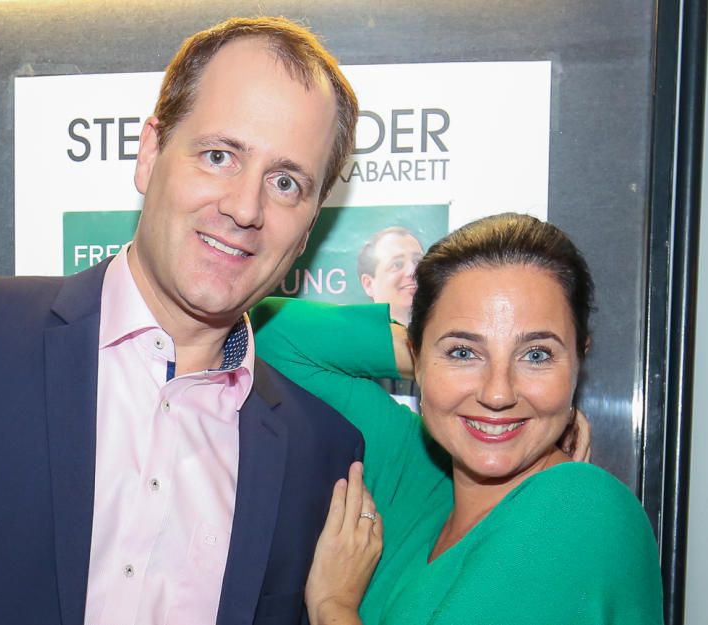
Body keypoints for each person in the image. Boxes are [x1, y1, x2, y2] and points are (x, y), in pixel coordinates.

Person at [0, 17, 365, 625]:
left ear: (308, 225)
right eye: (219, 156)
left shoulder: (321, 457)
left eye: (285, 183)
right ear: (150, 153)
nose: (245, 207)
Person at [253, 213, 664, 625]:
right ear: (416, 355)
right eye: (463, 352)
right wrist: (432, 368)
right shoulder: (421, 475)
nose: (498, 393)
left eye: (537, 355)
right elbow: (269, 335)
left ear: (578, 361)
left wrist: (332, 606)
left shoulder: (580, 507)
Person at [356, 226, 424, 325]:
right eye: (397, 265)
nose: (413, 270)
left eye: (418, 261)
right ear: (369, 284)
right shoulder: (354, 334)